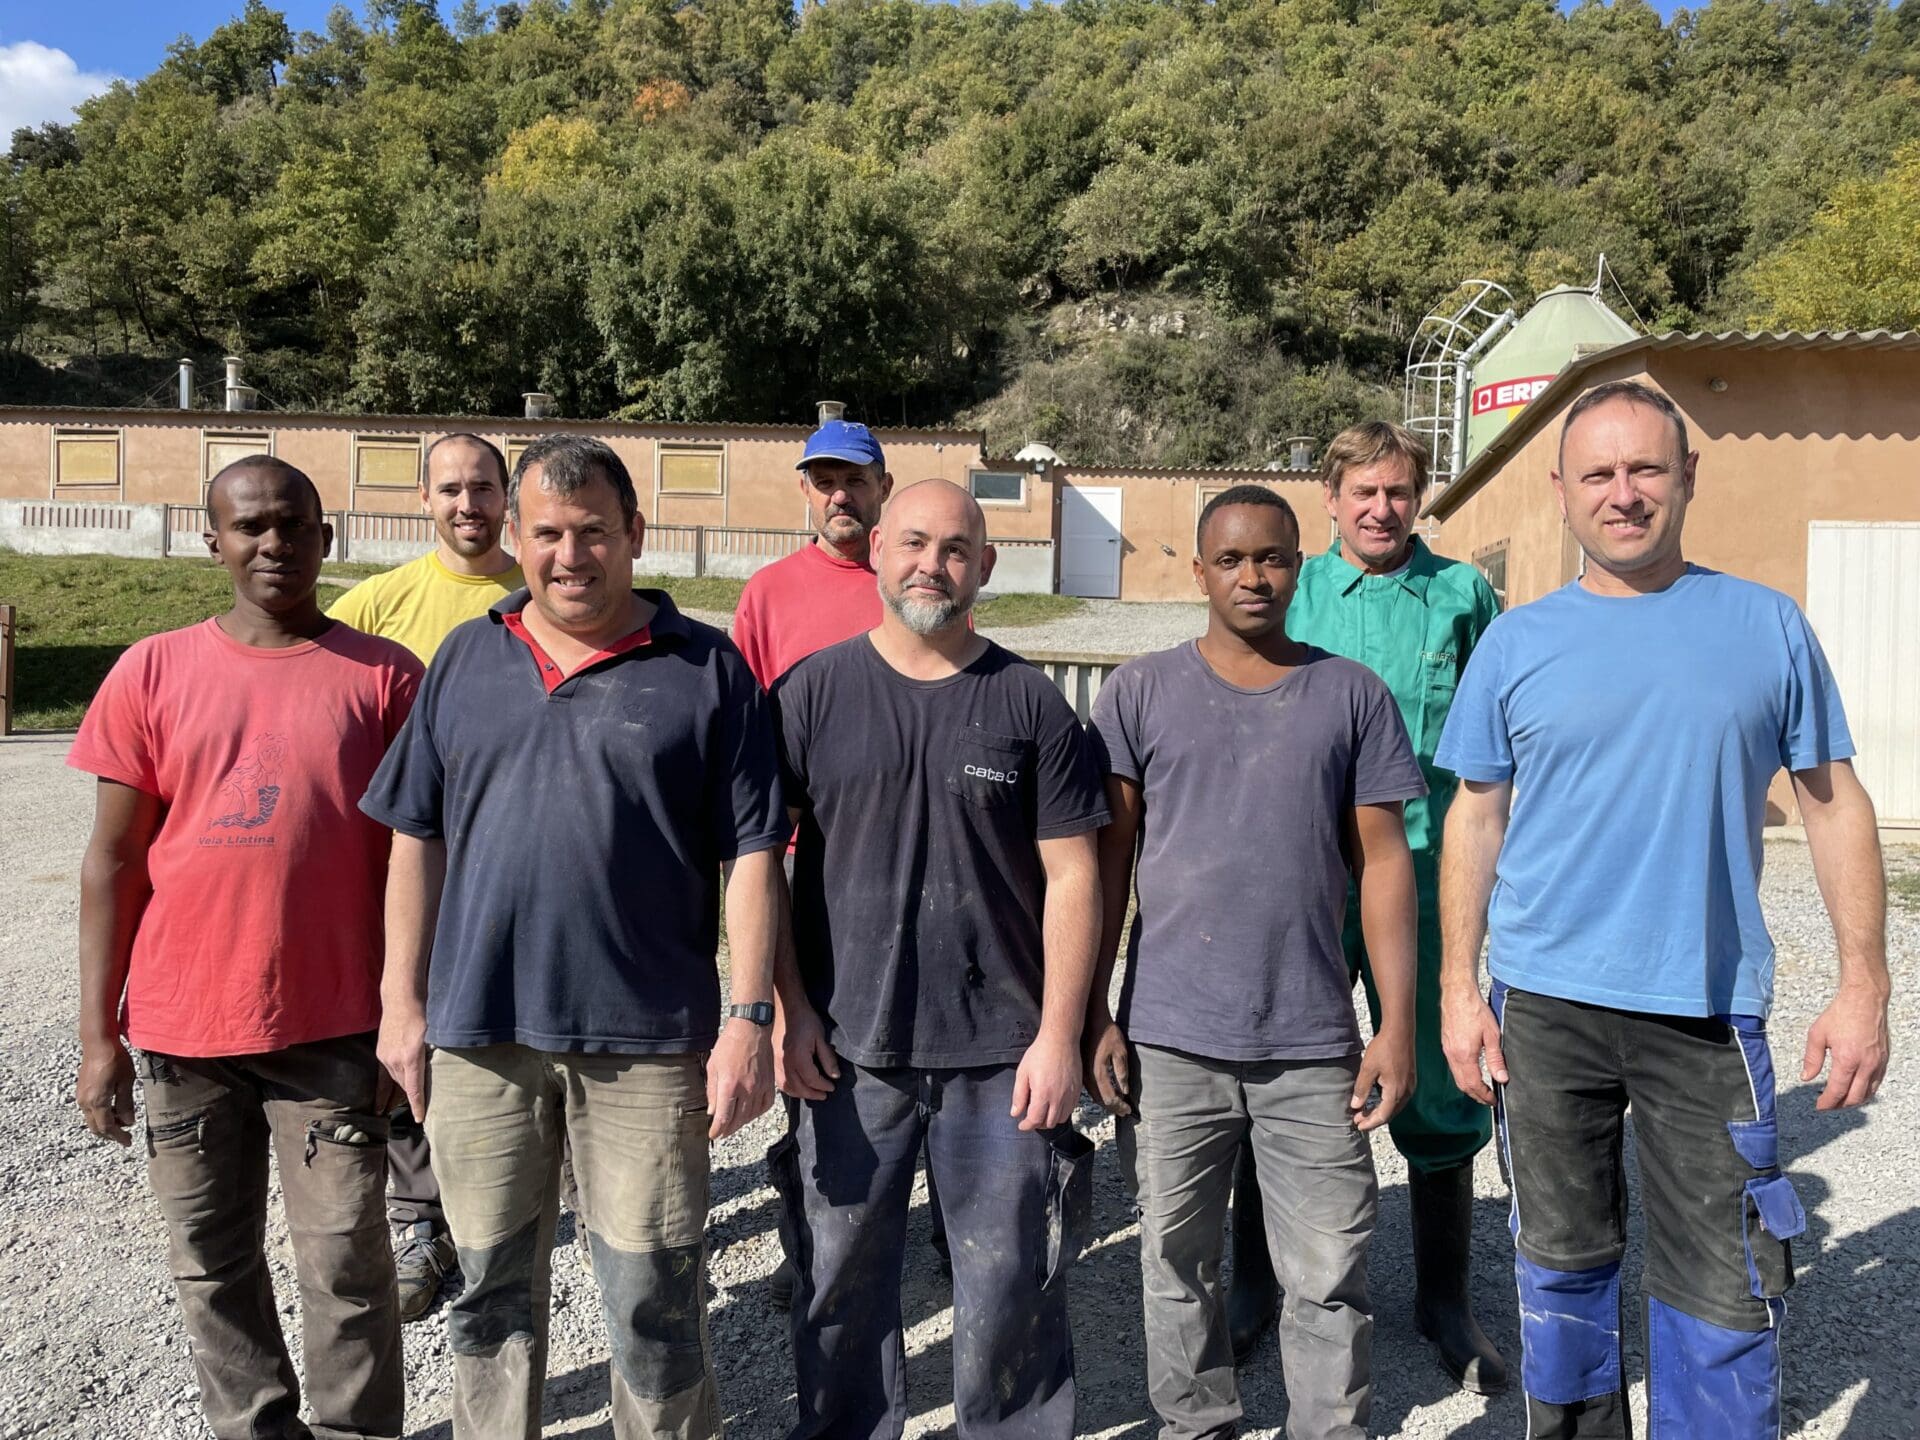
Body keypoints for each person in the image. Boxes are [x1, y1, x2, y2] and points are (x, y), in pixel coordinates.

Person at [1437, 380, 1891, 1439]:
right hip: (1544, 1010)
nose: (1624, 492)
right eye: (1598, 473)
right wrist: (1459, 987)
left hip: (1706, 1011)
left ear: (1689, 477)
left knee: (1725, 1285)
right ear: (1561, 491)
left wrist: (1864, 981)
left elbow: (1833, 803)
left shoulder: (1766, 626)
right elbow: (1475, 817)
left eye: (1645, 468)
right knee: (1561, 1270)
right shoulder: (1516, 643)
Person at [363, 434, 787, 1440]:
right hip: (480, 1038)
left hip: (647, 1044)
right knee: (489, 1293)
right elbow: (416, 837)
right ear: (515, 535)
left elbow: (754, 854)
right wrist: (400, 1005)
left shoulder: (708, 668)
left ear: (634, 531)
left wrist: (747, 1019)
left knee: (653, 1300)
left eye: (593, 531)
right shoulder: (467, 657)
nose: (570, 555)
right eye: (548, 533)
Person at [71, 456, 420, 1440]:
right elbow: (111, 862)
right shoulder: (152, 670)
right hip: (185, 1029)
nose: (275, 544)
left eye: (294, 524)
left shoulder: (387, 679)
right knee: (210, 1262)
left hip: (335, 1029)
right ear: (212, 539)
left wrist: (409, 1012)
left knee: (347, 1265)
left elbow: (420, 861)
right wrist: (98, 1036)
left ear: (327, 537)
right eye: (251, 526)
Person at [770, 478, 1106, 1440]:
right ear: (877, 549)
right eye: (915, 543)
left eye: (956, 549)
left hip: (1001, 1054)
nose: (934, 565)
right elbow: (760, 866)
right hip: (846, 1051)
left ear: (985, 566)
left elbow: (1075, 877)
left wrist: (1058, 1038)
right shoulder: (809, 695)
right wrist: (788, 1009)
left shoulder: (1030, 703)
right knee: (839, 1278)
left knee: (1009, 1284)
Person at [1086, 484, 1424, 1440]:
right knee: (1174, 1262)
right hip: (1169, 1038)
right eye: (1231, 560)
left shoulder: (1351, 695)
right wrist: (1094, 1012)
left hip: (1311, 1041)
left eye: (1272, 558)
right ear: (1198, 572)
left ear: (1299, 567)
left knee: (1327, 1271)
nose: (1253, 577)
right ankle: (1197, 1426)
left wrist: (1396, 1026)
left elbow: (1384, 866)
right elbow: (1107, 866)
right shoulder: (1139, 693)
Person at [1210, 422, 1508, 1388]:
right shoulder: (1294, 592)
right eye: (1364, 493)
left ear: (1420, 498)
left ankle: (1444, 1302)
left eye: (1399, 492)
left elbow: (1496, 739)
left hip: (1423, 877)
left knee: (1436, 1078)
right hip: (1303, 874)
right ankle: (1253, 1287)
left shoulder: (1464, 596)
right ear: (1331, 499)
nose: (1382, 509)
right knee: (1273, 1064)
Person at [327, 430, 525, 1322]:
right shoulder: (377, 605)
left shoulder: (543, 591)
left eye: (483, 487)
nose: (468, 504)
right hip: (412, 864)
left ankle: (547, 1194)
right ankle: (422, 1220)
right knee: (409, 1027)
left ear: (506, 497)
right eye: (450, 489)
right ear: (424, 499)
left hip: (519, 865)